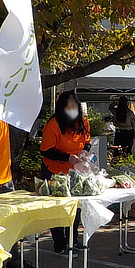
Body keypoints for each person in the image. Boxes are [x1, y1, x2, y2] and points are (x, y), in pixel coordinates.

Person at [41, 92, 91, 254]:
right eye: (68, 107)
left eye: (74, 107)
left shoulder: (83, 122)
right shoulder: (53, 125)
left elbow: (87, 141)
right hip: (53, 171)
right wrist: (68, 157)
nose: (72, 110)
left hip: (74, 171)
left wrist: (84, 152)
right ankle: (59, 243)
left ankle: (72, 238)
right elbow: (46, 151)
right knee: (57, 207)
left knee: (76, 206)